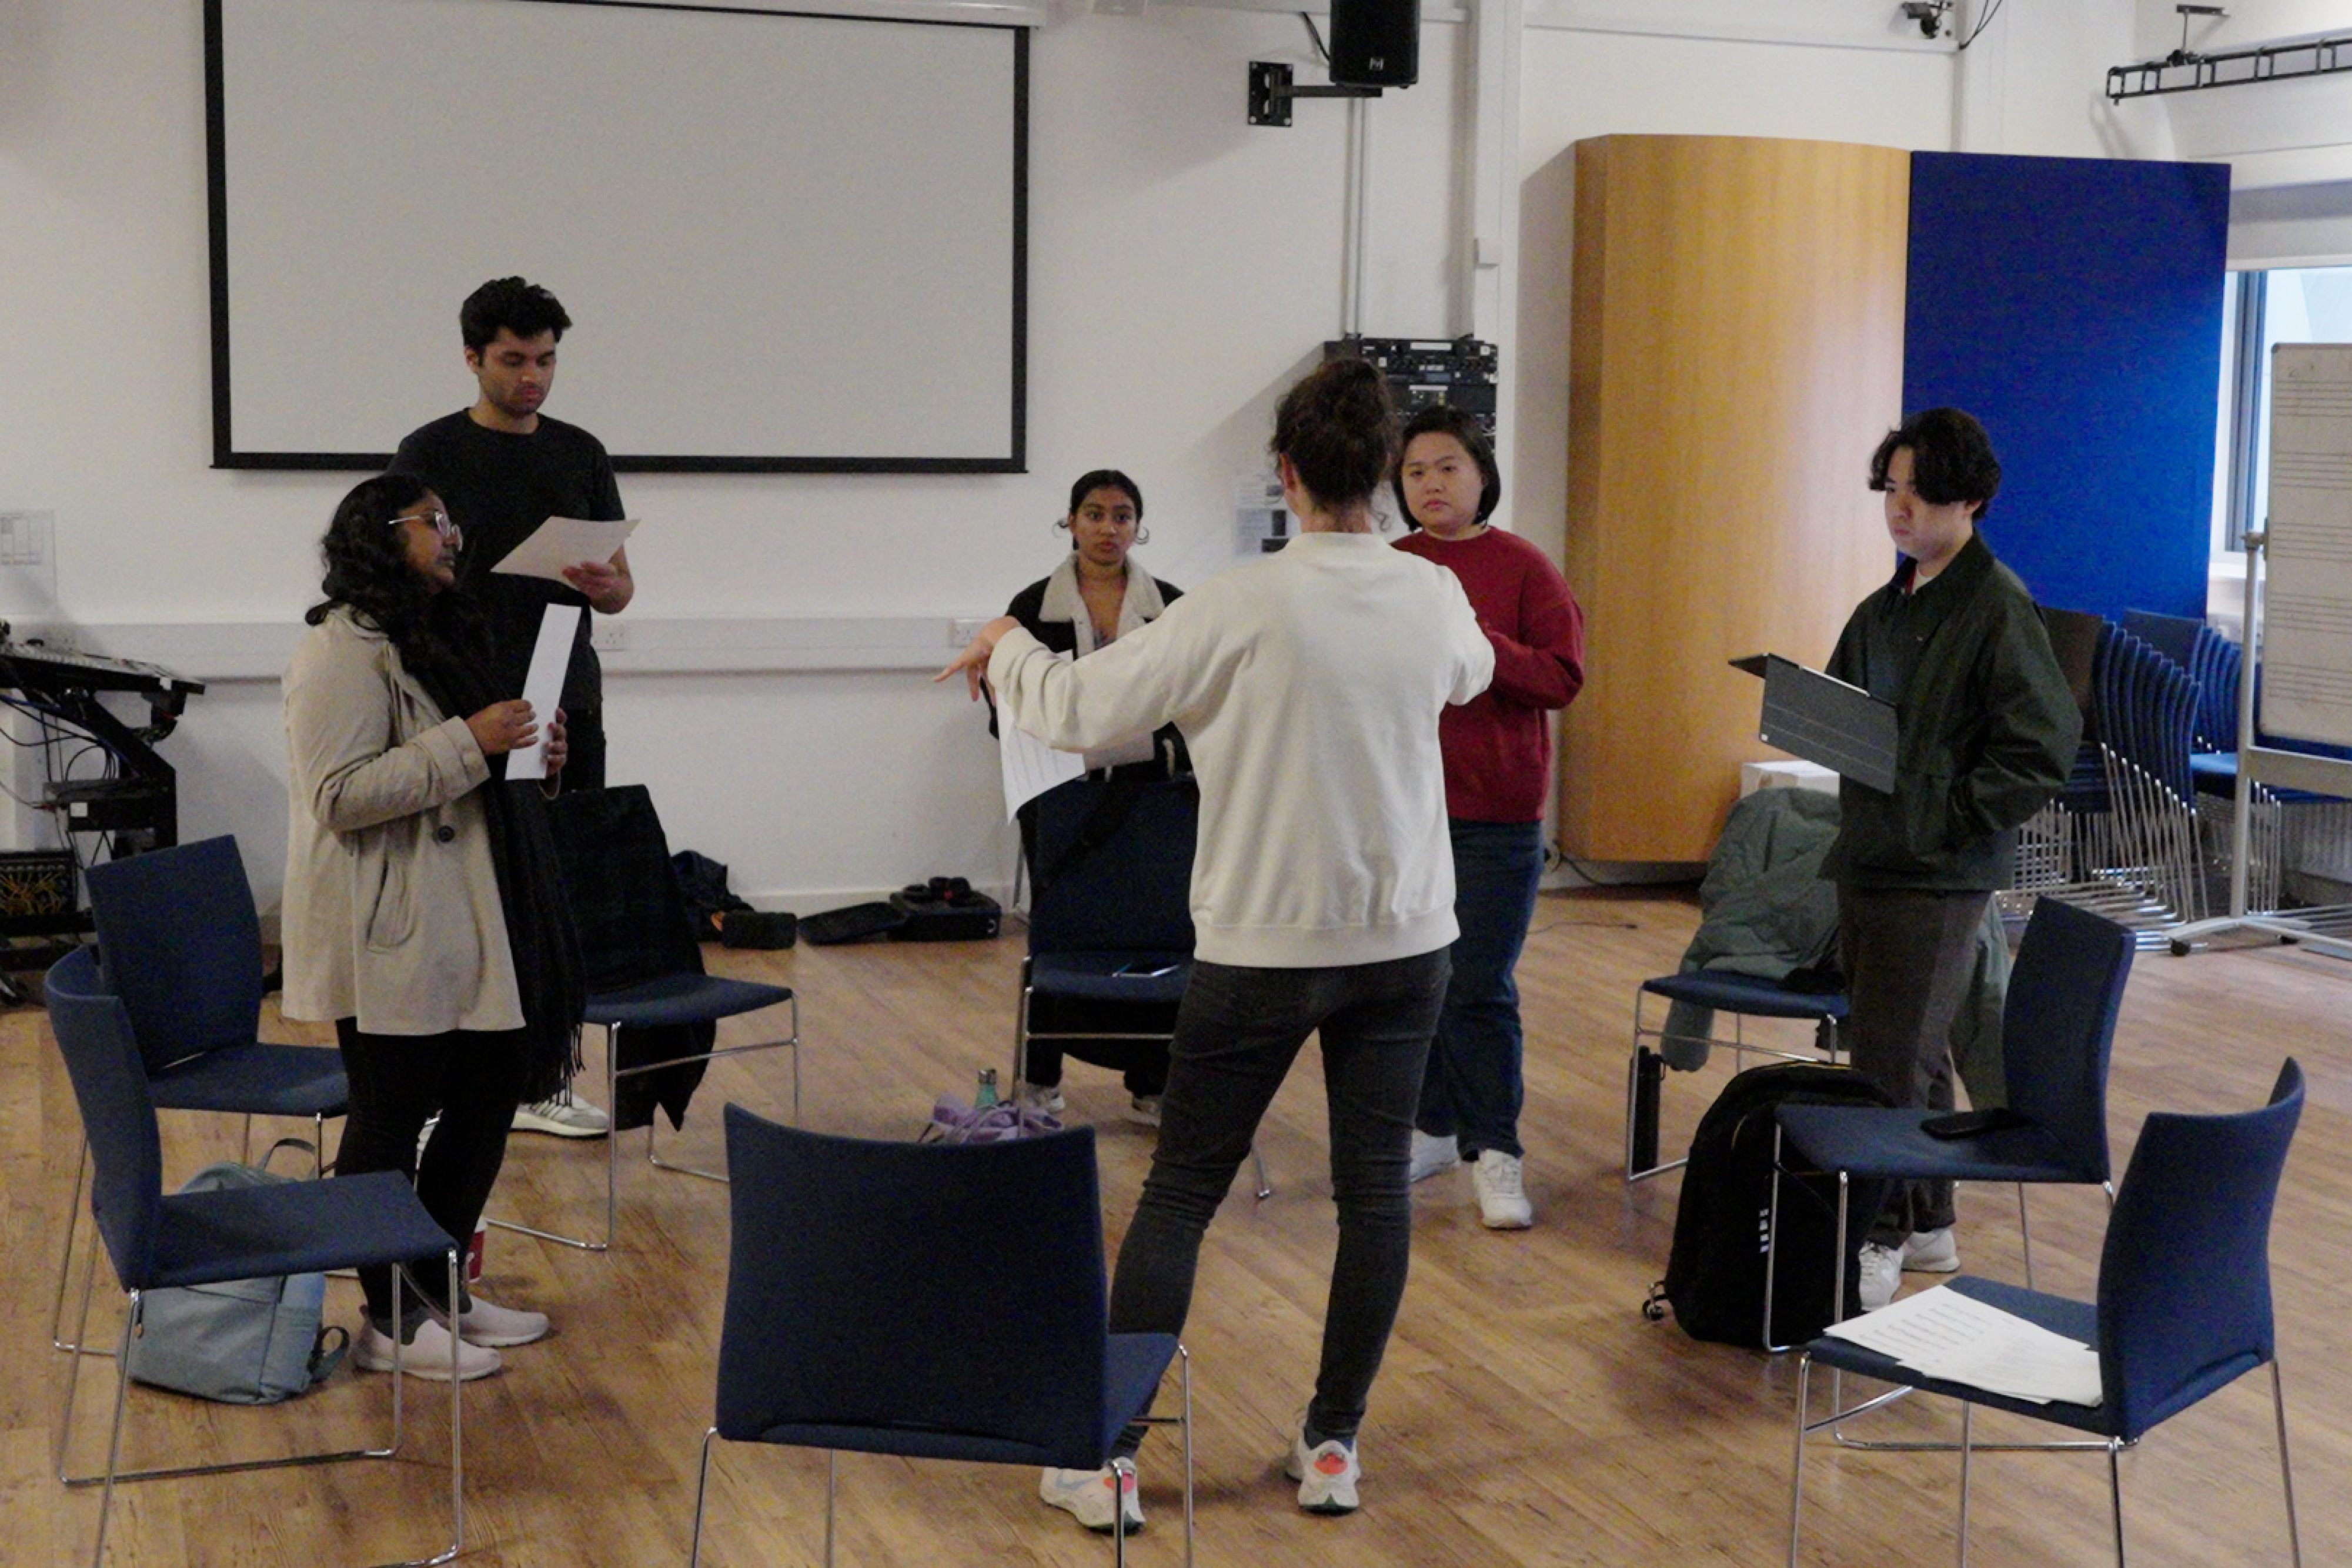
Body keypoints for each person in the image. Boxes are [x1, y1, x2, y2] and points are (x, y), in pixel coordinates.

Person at [940, 358, 1493, 1527]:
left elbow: (1086, 709)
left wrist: (1006, 644)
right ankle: (1331, 1443)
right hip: (1405, 939)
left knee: (1183, 1189)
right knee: (1371, 1193)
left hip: (1263, 941)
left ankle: (1110, 1454)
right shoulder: (1429, 594)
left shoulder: (1241, 601)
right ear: (1384, 477)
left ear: (1283, 474)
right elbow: (1471, 670)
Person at [280, 473, 585, 1381]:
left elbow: (471, 764)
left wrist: (533, 753)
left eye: (454, 518)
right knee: (391, 1113)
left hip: (467, 908)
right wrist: (471, 742)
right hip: (392, 919)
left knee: (493, 1088)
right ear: (380, 534)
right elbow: (338, 795)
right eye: (432, 521)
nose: (452, 534)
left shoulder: (443, 632)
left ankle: (440, 1286)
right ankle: (387, 1319)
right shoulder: (341, 648)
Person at [1823, 407, 2080, 1312]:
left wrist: (1949, 820)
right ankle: (1929, 1221)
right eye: (1890, 487)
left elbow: (2040, 747)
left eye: (1920, 489)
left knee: (1889, 1058)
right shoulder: (1888, 603)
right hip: (1873, 853)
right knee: (1909, 1044)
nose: (1899, 506)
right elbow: (1849, 708)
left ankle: (1877, 1236)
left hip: (1936, 867)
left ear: (1969, 497)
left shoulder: (1995, 602)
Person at [392, 275, 629, 1139]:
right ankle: (449, 1085)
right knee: (471, 885)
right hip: (465, 687)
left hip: (564, 686)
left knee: (559, 884)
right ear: (473, 358)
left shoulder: (580, 451)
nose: (534, 376)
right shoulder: (429, 450)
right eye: (515, 360)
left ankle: (547, 1078)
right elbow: (404, 569)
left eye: (547, 359)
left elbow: (621, 589)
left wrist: (608, 582)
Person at [1388, 406, 1585, 1229]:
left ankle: (1496, 1150)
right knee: (1415, 980)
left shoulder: (1524, 567)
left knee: (1478, 984)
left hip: (1497, 817)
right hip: (1403, 810)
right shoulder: (1390, 567)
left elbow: (1562, 677)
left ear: (1481, 476)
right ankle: (1432, 1125)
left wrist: (1481, 642)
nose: (1431, 483)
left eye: (1447, 467)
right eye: (1414, 472)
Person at [1000, 469, 1187, 1125]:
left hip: (1155, 800)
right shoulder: (1029, 607)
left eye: (1122, 515)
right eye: (1094, 514)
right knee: (1061, 934)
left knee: (1158, 937)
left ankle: (1154, 1083)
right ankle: (1041, 1083)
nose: (1108, 528)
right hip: (1060, 801)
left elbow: (1199, 704)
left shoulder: (1172, 604)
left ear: (1138, 526)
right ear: (1070, 522)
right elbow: (1010, 708)